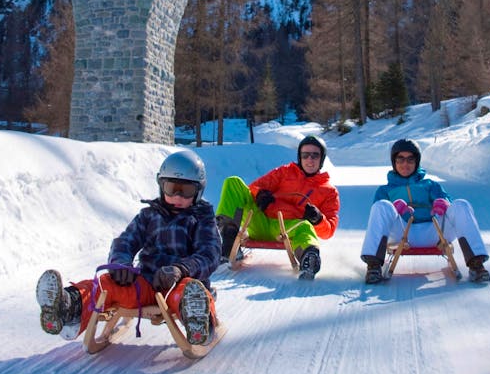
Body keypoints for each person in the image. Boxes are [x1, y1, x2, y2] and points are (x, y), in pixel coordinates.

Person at [35, 149, 222, 346]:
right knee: (106, 285)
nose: (177, 196)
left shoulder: (202, 219)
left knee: (189, 294)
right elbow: (125, 242)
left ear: (198, 191)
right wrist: (121, 264)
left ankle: (199, 322)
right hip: (145, 282)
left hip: (180, 283)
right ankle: (67, 306)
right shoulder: (149, 216)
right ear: (161, 186)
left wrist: (181, 269)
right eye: (171, 188)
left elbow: (209, 253)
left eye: (185, 191)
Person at [360, 139, 490, 284]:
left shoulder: (430, 185)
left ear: (417, 162)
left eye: (410, 159)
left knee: (461, 204)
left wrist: (443, 203)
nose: (405, 164)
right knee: (381, 206)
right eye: (400, 159)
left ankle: (476, 264)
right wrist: (394, 209)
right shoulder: (385, 190)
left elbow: (448, 203)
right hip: (401, 233)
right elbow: (377, 218)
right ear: (394, 162)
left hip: (434, 232)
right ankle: (373, 266)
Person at [215, 135, 340, 280]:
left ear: (322, 159)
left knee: (305, 226)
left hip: (288, 229)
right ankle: (229, 243)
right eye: (305, 155)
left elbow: (329, 230)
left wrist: (318, 219)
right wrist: (260, 194)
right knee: (233, 182)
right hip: (260, 221)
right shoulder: (284, 172)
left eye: (315, 155)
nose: (310, 160)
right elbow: (254, 187)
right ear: (300, 157)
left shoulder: (329, 191)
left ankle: (308, 258)